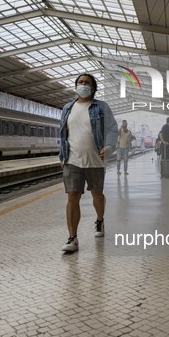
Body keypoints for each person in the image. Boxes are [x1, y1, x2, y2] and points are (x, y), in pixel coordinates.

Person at [59, 73, 118, 251]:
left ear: (93, 88)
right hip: (72, 159)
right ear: (76, 86)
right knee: (72, 196)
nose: (83, 85)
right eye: (80, 82)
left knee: (97, 194)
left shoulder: (101, 107)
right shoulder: (67, 108)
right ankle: (72, 238)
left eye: (87, 82)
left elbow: (112, 129)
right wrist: (62, 155)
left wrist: (108, 146)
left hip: (96, 159)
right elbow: (63, 133)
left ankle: (99, 220)